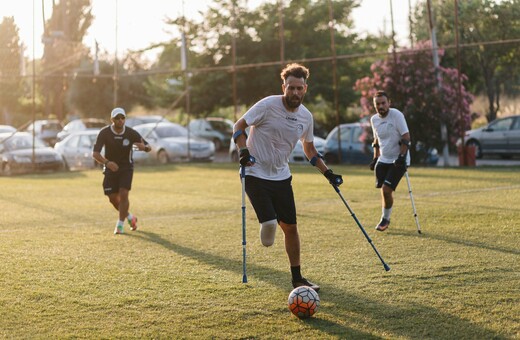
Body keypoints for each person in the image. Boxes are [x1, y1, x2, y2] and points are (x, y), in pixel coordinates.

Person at [232, 63, 343, 292]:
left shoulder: (306, 117)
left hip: (282, 177)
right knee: (271, 227)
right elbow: (238, 126)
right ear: (283, 86)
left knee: (290, 228)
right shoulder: (267, 105)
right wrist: (243, 151)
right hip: (254, 172)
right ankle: (267, 223)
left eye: (299, 88)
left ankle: (298, 278)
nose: (295, 93)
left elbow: (309, 149)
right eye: (290, 88)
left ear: (305, 88)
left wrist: (327, 172)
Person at [92, 107, 151, 234]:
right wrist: (108, 163)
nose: (120, 120)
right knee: (112, 198)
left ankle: (120, 225)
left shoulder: (131, 133)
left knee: (124, 194)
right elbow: (95, 154)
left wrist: (144, 148)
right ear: (112, 119)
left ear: (125, 119)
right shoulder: (104, 133)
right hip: (110, 168)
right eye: (117, 118)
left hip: (126, 167)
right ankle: (130, 217)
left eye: (122, 118)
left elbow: (147, 146)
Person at [369, 91, 411, 232]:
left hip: (398, 159)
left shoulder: (396, 115)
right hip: (383, 159)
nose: (381, 106)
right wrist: (375, 158)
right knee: (383, 189)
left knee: (387, 190)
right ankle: (385, 216)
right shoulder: (374, 120)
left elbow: (406, 136)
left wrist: (401, 156)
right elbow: (376, 140)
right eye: (377, 104)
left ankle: (385, 219)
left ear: (389, 103)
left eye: (383, 103)